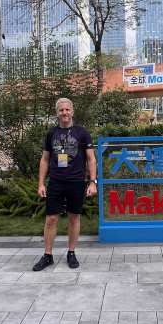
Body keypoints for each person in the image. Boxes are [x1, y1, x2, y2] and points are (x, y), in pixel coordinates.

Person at [32, 98, 97, 271]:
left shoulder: (82, 133)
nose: (64, 113)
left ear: (72, 111)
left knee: (74, 217)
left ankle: (71, 253)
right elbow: (45, 160)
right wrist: (41, 184)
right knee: (51, 218)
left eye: (67, 110)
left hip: (76, 182)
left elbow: (91, 159)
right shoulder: (51, 133)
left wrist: (92, 182)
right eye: (61, 110)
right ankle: (47, 256)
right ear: (57, 113)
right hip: (55, 182)